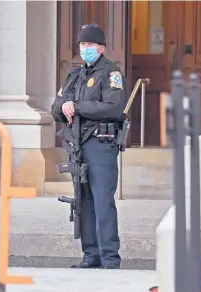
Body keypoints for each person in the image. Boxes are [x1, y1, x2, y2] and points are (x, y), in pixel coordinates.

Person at [50, 24, 127, 269]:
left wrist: (78, 107)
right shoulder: (75, 74)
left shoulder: (110, 73)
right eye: (82, 45)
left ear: (101, 48)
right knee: (83, 200)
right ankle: (90, 255)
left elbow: (113, 107)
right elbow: (56, 107)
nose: (85, 49)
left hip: (101, 144)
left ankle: (109, 258)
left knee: (103, 200)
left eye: (90, 45)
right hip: (78, 145)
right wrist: (64, 106)